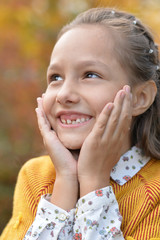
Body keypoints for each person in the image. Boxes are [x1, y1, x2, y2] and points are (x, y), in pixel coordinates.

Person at [1, 7, 160, 240]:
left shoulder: (154, 192)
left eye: (90, 75)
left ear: (140, 98)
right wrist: (65, 181)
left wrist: (94, 182)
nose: (64, 94)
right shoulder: (35, 176)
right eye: (55, 77)